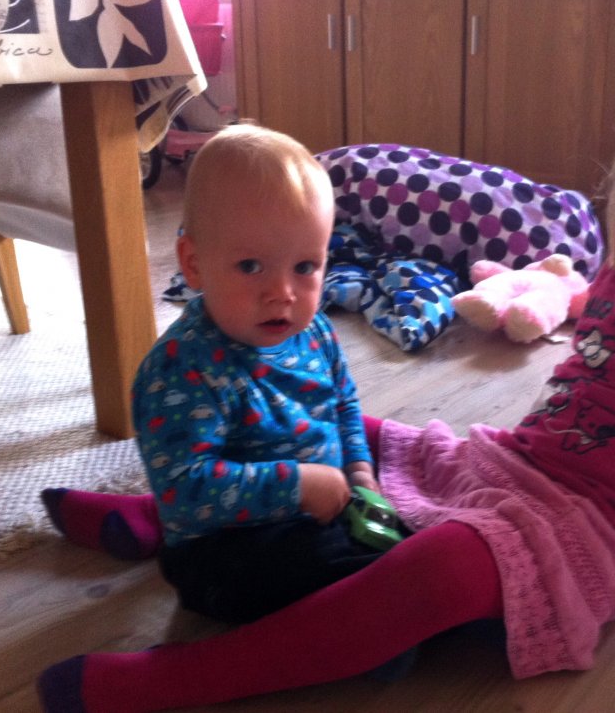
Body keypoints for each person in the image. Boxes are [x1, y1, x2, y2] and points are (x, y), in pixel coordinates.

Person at [38, 102, 615, 713]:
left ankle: (188, 677)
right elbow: (577, 339)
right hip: (510, 461)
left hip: (593, 523)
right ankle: (166, 512)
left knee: (440, 566)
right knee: (343, 429)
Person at [44, 123, 392, 633]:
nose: (282, 293)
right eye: (251, 266)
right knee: (356, 578)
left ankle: (139, 519)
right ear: (193, 264)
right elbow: (187, 488)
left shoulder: (315, 331)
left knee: (393, 526)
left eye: (305, 267)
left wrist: (359, 468)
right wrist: (296, 486)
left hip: (316, 507)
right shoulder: (182, 370)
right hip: (222, 549)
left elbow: (343, 404)